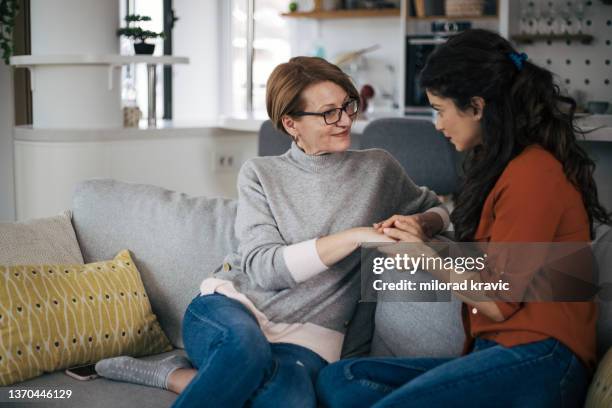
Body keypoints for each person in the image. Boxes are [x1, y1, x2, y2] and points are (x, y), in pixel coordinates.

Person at [94, 56, 449, 407]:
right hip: (235, 310)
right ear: (291, 122)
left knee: (289, 399)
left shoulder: (377, 169)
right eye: (328, 112)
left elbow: (443, 207)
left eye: (348, 105)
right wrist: (355, 236)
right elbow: (265, 269)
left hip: (310, 339)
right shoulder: (260, 174)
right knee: (243, 350)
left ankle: (177, 377)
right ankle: (194, 375)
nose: (344, 120)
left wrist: (424, 223)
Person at [316, 28, 611, 408]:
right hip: (495, 353)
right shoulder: (504, 170)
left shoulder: (534, 174)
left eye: (440, 110)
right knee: (343, 377)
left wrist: (423, 257)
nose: (437, 125)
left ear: (476, 106)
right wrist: (427, 236)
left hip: (542, 359)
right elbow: (496, 266)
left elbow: (498, 301)